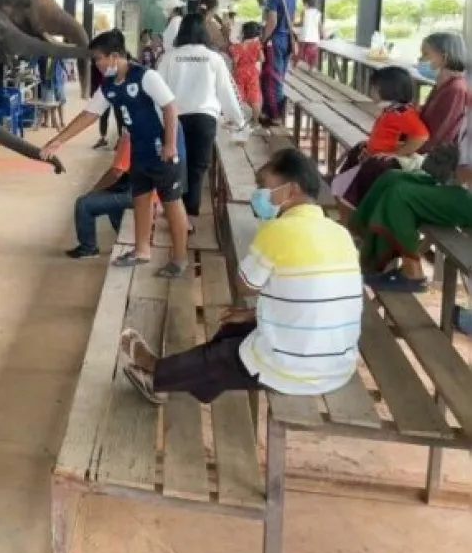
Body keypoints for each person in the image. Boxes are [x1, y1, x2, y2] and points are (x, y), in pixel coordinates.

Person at [118, 147, 363, 404]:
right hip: (337, 364)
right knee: (234, 330)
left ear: (292, 191)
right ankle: (175, 381)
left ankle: (156, 373)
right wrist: (253, 314)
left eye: (265, 186)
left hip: (299, 370)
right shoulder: (339, 233)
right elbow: (305, 298)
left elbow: (245, 286)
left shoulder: (279, 230)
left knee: (226, 355)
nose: (259, 195)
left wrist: (267, 232)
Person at [42, 29, 190, 279]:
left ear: (114, 56)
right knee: (140, 197)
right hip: (140, 149)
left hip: (163, 149)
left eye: (99, 59)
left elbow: (170, 108)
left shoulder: (146, 77)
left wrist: (170, 144)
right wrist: (59, 140)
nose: (96, 64)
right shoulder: (109, 86)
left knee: (171, 203)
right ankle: (141, 250)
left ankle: (179, 259)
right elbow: (89, 115)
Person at [352, 117, 472, 294]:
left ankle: (412, 272)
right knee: (393, 177)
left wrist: (457, 169)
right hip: (462, 186)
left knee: (402, 195)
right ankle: (366, 245)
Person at [158, 13, 246, 219]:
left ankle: (176, 213)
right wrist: (239, 120)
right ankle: (192, 212)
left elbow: (157, 91)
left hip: (175, 119)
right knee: (197, 169)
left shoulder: (169, 58)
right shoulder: (214, 58)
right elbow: (226, 92)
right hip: (205, 119)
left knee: (177, 166)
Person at [331, 66, 429, 207]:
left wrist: (397, 154)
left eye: (374, 89)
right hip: (371, 154)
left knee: (358, 185)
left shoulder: (403, 113)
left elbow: (421, 136)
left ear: (389, 90)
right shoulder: (389, 111)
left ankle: (353, 209)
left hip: (380, 163)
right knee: (353, 156)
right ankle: (343, 201)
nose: (371, 92)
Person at [66, 134, 135, 259]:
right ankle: (127, 239)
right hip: (142, 189)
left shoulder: (129, 137)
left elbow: (116, 173)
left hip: (138, 194)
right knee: (110, 198)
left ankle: (88, 248)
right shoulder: (138, 131)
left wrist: (95, 190)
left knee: (84, 204)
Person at [260, 0, 297, 126]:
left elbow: (272, 22)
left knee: (272, 78)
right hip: (287, 39)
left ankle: (274, 115)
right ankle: (272, 112)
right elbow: (292, 17)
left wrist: (263, 39)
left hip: (274, 42)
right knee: (279, 77)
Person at [229, 21, 264, 124]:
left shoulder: (238, 47)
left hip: (240, 72)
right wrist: (253, 58)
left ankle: (239, 120)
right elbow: (262, 58)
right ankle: (256, 121)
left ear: (244, 32)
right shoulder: (257, 45)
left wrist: (234, 71)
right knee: (254, 98)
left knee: (238, 96)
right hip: (252, 72)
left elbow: (235, 61)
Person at [297, 0, 325, 67]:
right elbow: (320, 25)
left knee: (300, 52)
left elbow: (301, 23)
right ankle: (311, 68)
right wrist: (323, 34)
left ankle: (295, 65)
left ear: (306, 3)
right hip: (314, 37)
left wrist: (293, 24)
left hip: (304, 36)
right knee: (313, 54)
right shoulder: (318, 13)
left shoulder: (304, 12)